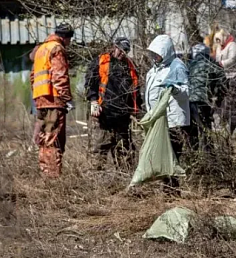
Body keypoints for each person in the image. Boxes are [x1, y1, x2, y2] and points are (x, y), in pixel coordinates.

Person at [84, 37, 141, 169]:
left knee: (124, 153)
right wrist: (93, 100)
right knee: (97, 151)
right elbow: (90, 83)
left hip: (122, 117)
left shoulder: (130, 66)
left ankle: (125, 179)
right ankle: (96, 184)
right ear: (114, 47)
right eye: (120, 49)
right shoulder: (101, 61)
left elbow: (135, 91)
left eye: (125, 50)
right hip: (102, 115)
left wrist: (136, 111)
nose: (122, 53)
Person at [31, 23, 75, 178]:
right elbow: (59, 75)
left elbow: (33, 77)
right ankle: (53, 179)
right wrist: (67, 98)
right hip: (54, 101)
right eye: (70, 39)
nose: (70, 43)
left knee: (44, 140)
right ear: (66, 37)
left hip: (41, 100)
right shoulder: (57, 48)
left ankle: (46, 175)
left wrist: (38, 97)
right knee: (53, 140)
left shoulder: (40, 50)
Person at [145, 35, 190, 165]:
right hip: (158, 120)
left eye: (157, 54)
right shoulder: (153, 71)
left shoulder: (176, 67)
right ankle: (167, 183)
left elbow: (186, 93)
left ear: (165, 52)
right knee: (161, 157)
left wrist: (175, 89)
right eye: (153, 53)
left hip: (173, 122)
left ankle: (172, 184)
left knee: (171, 157)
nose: (154, 56)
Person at [187, 43, 227, 149]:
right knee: (205, 130)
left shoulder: (190, 64)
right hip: (203, 101)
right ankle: (208, 158)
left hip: (188, 101)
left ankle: (193, 155)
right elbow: (223, 81)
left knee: (192, 132)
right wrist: (218, 97)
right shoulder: (211, 64)